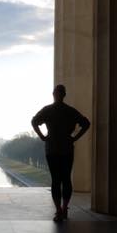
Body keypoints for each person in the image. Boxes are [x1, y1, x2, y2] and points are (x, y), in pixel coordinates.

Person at [31, 85, 90, 222]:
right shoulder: (70, 111)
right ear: (64, 95)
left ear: (54, 94)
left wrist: (42, 136)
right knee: (66, 179)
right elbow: (86, 123)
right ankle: (63, 208)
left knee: (56, 180)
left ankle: (59, 210)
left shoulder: (48, 110)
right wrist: (75, 137)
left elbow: (34, 121)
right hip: (66, 148)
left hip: (52, 148)